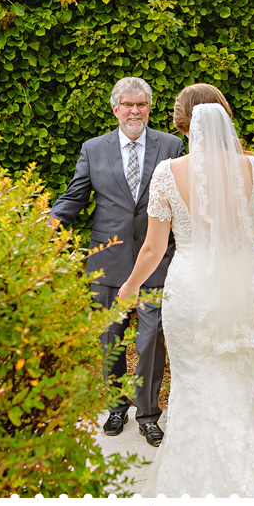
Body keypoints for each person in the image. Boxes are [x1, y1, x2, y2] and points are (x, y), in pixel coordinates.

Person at [117, 83, 254, 497]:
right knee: (241, 383)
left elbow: (152, 248)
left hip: (191, 296)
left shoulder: (167, 174)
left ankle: (193, 490)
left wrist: (129, 287)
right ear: (224, 118)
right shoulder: (253, 169)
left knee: (195, 384)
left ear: (183, 122)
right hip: (245, 290)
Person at [50, 77, 185, 446]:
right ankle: (115, 408)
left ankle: (147, 414)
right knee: (110, 340)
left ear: (149, 108)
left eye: (141, 104)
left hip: (157, 260)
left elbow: (184, 200)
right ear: (115, 109)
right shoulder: (94, 149)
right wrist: (47, 225)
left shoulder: (171, 146)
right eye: (127, 104)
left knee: (150, 341)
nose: (134, 111)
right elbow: (74, 197)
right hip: (108, 262)